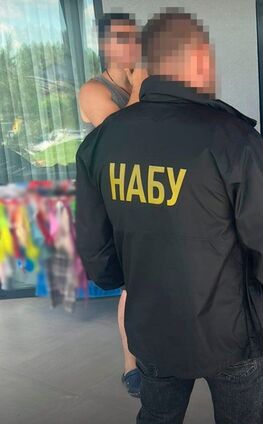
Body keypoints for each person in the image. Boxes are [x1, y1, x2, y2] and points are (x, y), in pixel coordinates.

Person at [75, 9, 263, 424]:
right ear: (195, 59)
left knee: (158, 416)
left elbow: (95, 249)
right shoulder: (234, 138)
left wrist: (135, 286)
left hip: (153, 323)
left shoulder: (102, 142)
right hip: (233, 331)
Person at [77, 12, 146, 398]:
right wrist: (141, 83)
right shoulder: (93, 90)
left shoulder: (143, 81)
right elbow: (123, 136)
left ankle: (160, 350)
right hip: (115, 195)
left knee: (156, 274)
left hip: (149, 190)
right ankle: (130, 365)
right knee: (131, 283)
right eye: (122, 38)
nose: (132, 45)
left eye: (134, 37)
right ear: (105, 46)